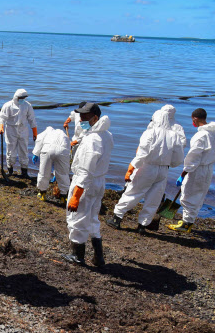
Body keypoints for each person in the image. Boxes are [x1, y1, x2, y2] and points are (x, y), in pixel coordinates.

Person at [106, 108, 184, 233]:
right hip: (163, 170)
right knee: (154, 198)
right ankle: (142, 226)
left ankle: (116, 219)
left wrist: (131, 168)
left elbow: (142, 153)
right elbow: (178, 157)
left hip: (147, 167)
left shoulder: (150, 132)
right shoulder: (174, 135)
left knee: (133, 192)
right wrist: (170, 164)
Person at [62, 102, 113, 267]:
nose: (81, 119)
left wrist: (76, 195)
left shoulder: (93, 140)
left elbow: (85, 170)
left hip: (85, 183)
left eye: (85, 116)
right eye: (81, 116)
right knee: (92, 218)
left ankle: (77, 255)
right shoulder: (106, 135)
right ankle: (99, 257)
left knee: (77, 218)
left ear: (95, 118)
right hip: (99, 181)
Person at [168, 108, 215, 233]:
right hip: (209, 168)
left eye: (192, 120)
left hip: (197, 169)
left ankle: (186, 224)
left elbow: (193, 157)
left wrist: (183, 173)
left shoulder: (200, 136)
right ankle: (189, 221)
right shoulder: (213, 133)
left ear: (195, 118)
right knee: (199, 195)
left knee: (188, 194)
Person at [0, 89, 38, 178]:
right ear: (16, 97)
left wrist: (35, 132)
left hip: (23, 130)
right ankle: (10, 170)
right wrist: (1, 127)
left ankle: (24, 171)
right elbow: (2, 117)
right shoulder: (8, 105)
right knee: (10, 150)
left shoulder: (27, 106)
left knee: (24, 150)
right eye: (21, 98)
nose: (23, 99)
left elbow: (32, 120)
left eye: (24, 98)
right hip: (11, 130)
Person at [32, 126, 70, 203]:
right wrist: (56, 174)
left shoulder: (47, 131)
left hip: (48, 149)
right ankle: (63, 196)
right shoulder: (65, 136)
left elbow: (39, 140)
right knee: (63, 174)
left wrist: (36, 153)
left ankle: (42, 193)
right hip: (63, 151)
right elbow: (67, 154)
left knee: (44, 172)